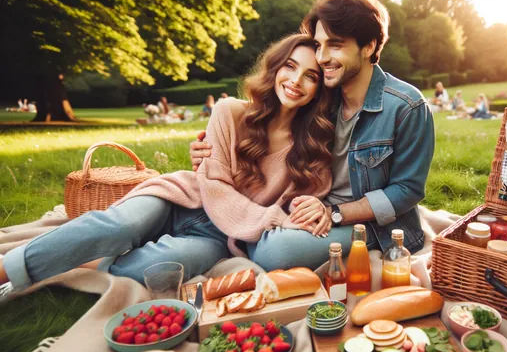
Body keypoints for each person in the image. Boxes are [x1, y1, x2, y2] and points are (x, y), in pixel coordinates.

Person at [0, 34, 334, 298]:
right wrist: (272, 218)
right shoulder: (229, 111)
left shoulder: (313, 151)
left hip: (220, 238)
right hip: (181, 198)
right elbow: (215, 187)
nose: (296, 81)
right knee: (118, 228)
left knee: (157, 269)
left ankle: (86, 256)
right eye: (289, 66)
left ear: (319, 89)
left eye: (311, 76)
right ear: (275, 68)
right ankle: (6, 270)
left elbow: (308, 204)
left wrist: (315, 207)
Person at [190, 0, 435, 269]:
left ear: (368, 47)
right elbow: (266, 119)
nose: (322, 57)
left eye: (335, 45)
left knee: (273, 251)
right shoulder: (322, 97)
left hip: (372, 224)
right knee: (265, 240)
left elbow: (407, 190)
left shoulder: (407, 106)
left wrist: (335, 214)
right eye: (319, 45)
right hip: (310, 206)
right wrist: (213, 146)